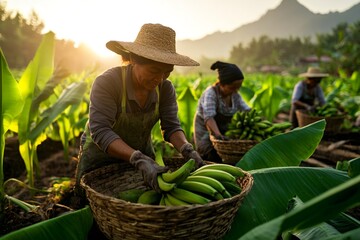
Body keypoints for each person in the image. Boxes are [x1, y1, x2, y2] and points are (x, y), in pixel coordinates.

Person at [75, 23, 205, 195]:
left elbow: (171, 127)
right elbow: (100, 130)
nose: (159, 79)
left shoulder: (165, 89)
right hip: (99, 159)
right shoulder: (108, 83)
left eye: (166, 73)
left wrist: (187, 149)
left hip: (144, 159)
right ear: (134, 59)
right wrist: (136, 158)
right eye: (154, 71)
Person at [193, 61, 251, 163]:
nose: (236, 90)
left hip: (223, 134)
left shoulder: (235, 95)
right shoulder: (211, 93)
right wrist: (219, 136)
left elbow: (247, 110)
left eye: (238, 87)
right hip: (206, 132)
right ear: (222, 84)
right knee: (212, 156)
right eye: (232, 87)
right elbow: (209, 118)